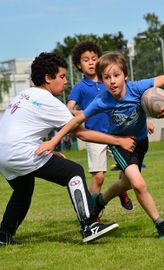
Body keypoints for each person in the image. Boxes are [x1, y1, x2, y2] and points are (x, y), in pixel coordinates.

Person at [0, 52, 136, 246]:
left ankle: (3, 237)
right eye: (62, 77)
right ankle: (90, 225)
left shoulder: (23, 95)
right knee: (73, 172)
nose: (65, 82)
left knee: (23, 191)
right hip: (19, 152)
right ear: (48, 78)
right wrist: (119, 140)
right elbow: (81, 133)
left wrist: (51, 151)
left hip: (3, 153)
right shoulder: (49, 101)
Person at [36, 51, 164, 239]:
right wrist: (53, 141)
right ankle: (161, 225)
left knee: (125, 183)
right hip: (120, 145)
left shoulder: (136, 88)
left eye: (116, 76)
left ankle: (100, 201)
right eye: (106, 78)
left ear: (125, 76)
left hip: (141, 142)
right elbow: (75, 122)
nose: (112, 81)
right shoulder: (102, 100)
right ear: (101, 80)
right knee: (138, 184)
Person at [67, 41, 133, 210]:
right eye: (86, 59)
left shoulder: (109, 81)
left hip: (117, 133)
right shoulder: (79, 87)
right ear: (78, 65)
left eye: (94, 58)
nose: (91, 62)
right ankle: (90, 213)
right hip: (94, 136)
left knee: (128, 172)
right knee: (98, 177)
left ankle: (120, 190)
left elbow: (128, 102)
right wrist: (83, 114)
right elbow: (68, 109)